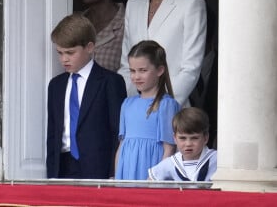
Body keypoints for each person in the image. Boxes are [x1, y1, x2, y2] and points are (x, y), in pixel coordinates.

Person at [118, 0, 207, 107]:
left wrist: (162, 104)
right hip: (136, 108)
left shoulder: (191, 4)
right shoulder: (133, 5)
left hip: (173, 108)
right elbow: (125, 65)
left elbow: (191, 68)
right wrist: (134, 103)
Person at [46, 13, 127, 179]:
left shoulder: (110, 82)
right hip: (63, 166)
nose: (64, 59)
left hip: (98, 166)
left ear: (90, 47)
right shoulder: (56, 85)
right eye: (60, 53)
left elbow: (117, 132)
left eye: (70, 52)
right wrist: (51, 173)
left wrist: (114, 172)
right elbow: (53, 133)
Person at [115, 40, 181, 180]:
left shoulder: (166, 105)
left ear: (160, 70)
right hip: (127, 170)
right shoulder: (127, 103)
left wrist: (157, 179)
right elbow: (122, 146)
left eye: (143, 70)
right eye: (132, 71)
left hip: (152, 171)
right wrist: (117, 177)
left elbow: (169, 148)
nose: (136, 76)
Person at [148, 107, 217, 182]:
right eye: (182, 138)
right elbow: (149, 182)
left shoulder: (216, 159)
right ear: (175, 138)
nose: (188, 144)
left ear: (205, 138)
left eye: (194, 138)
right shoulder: (171, 163)